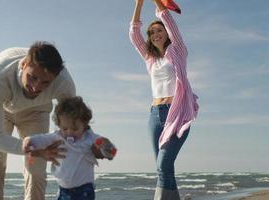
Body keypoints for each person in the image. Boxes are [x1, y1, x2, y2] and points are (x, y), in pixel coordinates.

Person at [0, 41, 76, 200]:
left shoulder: (63, 83)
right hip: (2, 110)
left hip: (36, 112)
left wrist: (92, 145)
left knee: (36, 171)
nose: (36, 87)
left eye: (45, 82)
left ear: (55, 77)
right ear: (23, 64)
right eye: (32, 77)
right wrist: (35, 149)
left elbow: (74, 123)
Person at [129, 0, 199, 199]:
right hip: (154, 114)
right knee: (164, 168)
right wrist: (139, 4)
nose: (155, 34)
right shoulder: (149, 58)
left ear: (167, 33)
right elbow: (134, 35)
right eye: (151, 33)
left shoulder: (178, 50)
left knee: (163, 165)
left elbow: (169, 21)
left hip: (176, 113)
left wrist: (157, 2)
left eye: (159, 31)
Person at [22, 96, 117, 200]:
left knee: (105, 148)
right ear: (59, 125)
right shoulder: (57, 137)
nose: (69, 132)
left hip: (84, 189)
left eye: (75, 129)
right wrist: (29, 140)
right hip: (63, 189)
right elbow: (41, 139)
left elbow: (109, 154)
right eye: (65, 128)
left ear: (84, 125)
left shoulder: (90, 138)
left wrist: (105, 148)